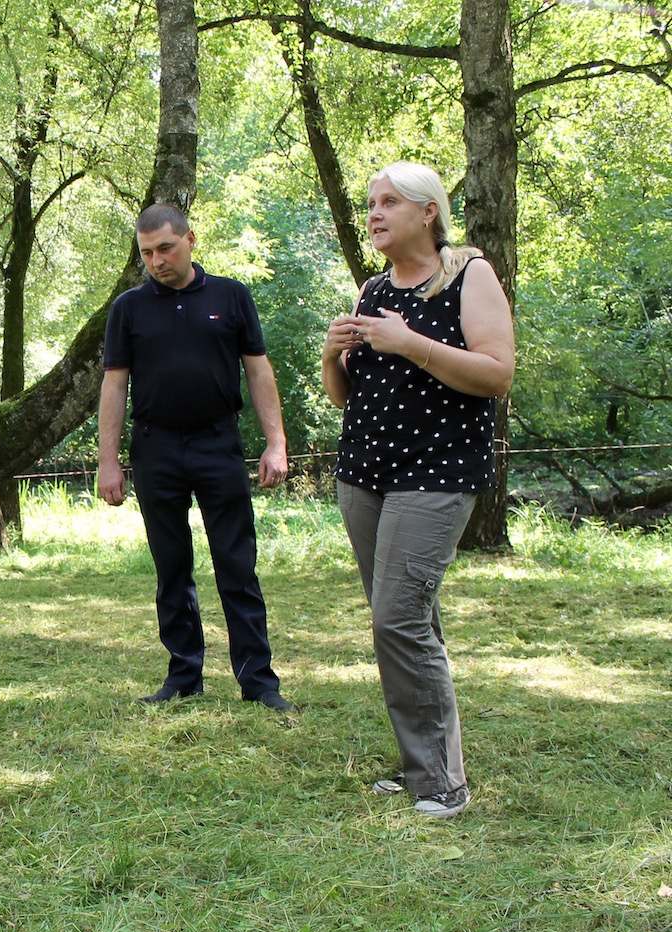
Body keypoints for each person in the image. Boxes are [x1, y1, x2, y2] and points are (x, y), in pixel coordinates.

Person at [321, 161, 515, 819]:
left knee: (397, 619)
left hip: (436, 474)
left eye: (388, 202)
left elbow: (496, 374)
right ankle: (423, 766)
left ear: (428, 211)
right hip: (364, 475)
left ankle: (442, 782)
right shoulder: (374, 288)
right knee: (405, 620)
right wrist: (331, 356)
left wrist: (410, 343)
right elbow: (347, 396)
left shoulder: (468, 274)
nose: (373, 214)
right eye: (369, 204)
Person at [98, 204, 293, 711]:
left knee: (237, 565)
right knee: (172, 568)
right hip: (156, 447)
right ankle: (184, 677)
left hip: (217, 443)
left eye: (165, 248)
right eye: (146, 253)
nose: (157, 261)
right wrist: (108, 460)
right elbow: (114, 385)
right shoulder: (128, 308)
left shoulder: (231, 296)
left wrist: (275, 443)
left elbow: (259, 371)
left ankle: (258, 682)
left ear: (189, 240)